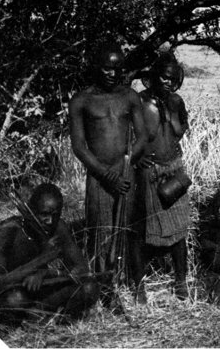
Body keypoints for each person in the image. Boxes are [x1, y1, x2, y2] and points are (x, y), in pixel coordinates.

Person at [69, 42, 147, 305]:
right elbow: (79, 147)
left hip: (126, 173)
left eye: (118, 69)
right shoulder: (82, 100)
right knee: (100, 232)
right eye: (107, 68)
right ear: (95, 67)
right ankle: (106, 288)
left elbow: (142, 137)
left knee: (130, 228)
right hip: (98, 176)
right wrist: (105, 174)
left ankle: (136, 283)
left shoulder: (130, 97)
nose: (113, 74)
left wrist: (125, 164)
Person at [0, 184, 99, 324]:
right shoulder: (8, 231)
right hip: (17, 294)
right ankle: (34, 319)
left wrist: (44, 273)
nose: (50, 221)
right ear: (31, 210)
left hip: (45, 295)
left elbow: (81, 268)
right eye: (44, 214)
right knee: (15, 299)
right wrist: (41, 260)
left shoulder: (58, 227)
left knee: (89, 288)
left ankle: (50, 318)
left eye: (55, 215)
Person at [134, 53, 192, 302]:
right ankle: (138, 286)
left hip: (173, 169)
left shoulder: (176, 102)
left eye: (172, 79)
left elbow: (180, 130)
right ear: (154, 76)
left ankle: (181, 281)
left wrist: (169, 116)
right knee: (142, 230)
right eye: (164, 77)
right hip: (149, 172)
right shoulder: (139, 102)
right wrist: (136, 158)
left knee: (179, 231)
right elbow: (126, 135)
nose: (168, 82)